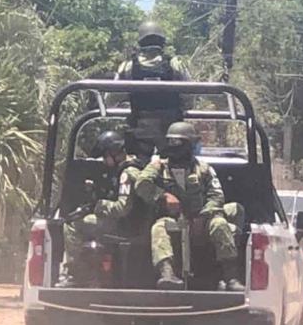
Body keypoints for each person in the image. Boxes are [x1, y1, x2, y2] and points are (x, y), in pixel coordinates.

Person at [137, 121, 244, 291]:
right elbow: (141, 184)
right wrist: (163, 196)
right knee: (158, 228)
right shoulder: (159, 166)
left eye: (179, 143)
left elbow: (216, 196)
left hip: (202, 218)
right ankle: (167, 273)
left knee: (220, 224)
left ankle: (231, 277)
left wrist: (203, 216)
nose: (175, 147)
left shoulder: (203, 169)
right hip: (173, 220)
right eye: (172, 142)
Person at [59, 130, 147, 287]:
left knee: (72, 225)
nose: (104, 161)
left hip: (125, 226)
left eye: (105, 157)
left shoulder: (127, 173)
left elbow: (122, 208)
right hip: (131, 225)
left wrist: (98, 205)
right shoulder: (133, 167)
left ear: (114, 153)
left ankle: (77, 275)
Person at [113, 21, 194, 149]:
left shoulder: (127, 66)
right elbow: (189, 96)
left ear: (140, 42)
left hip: (139, 131)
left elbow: (112, 98)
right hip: (171, 133)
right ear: (162, 42)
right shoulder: (175, 64)